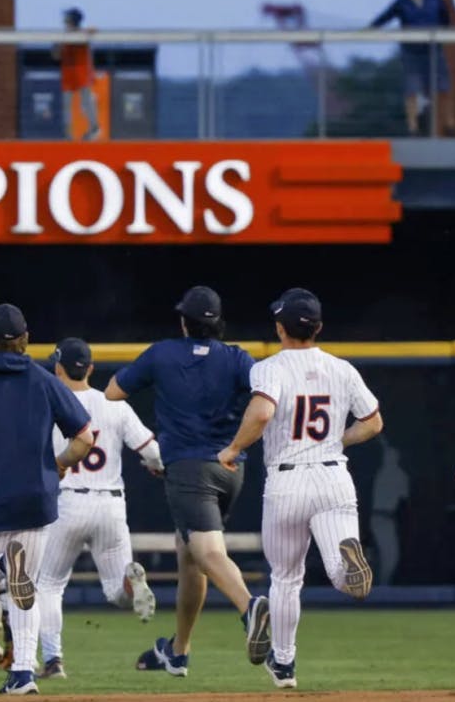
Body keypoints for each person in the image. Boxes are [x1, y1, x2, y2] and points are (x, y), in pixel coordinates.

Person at [217, 289, 382, 690]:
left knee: (287, 578)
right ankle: (350, 568)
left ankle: (285, 665)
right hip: (332, 476)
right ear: (319, 327)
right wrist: (337, 441)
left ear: (279, 327)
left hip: (287, 479)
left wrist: (235, 447)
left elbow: (262, 411)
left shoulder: (269, 368)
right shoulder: (341, 369)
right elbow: (373, 422)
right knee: (337, 573)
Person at [111, 286, 270, 675]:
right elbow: (266, 399)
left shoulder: (162, 353)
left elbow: (112, 392)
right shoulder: (237, 358)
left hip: (188, 468)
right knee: (190, 558)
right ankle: (178, 650)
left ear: (184, 322)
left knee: (207, 552)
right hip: (231, 468)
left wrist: (152, 440)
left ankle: (251, 609)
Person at [0, 304, 98, 695]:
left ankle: (1, 564)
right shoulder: (44, 380)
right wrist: (59, 463)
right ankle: (23, 674)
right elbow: (84, 438)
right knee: (25, 585)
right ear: (26, 339)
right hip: (35, 497)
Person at [36, 337, 163, 680]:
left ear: (58, 367)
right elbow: (152, 452)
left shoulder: (48, 403)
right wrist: (157, 467)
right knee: (114, 593)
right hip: (110, 504)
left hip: (67, 502)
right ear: (90, 369)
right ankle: (128, 582)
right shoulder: (113, 404)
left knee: (47, 584)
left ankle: (53, 661)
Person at [370, 0, 455, 136]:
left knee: (444, 87)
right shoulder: (402, 2)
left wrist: (442, 35)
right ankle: (413, 127)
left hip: (433, 50)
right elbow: (384, 18)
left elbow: (446, 19)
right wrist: (368, 30)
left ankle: (450, 123)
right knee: (412, 89)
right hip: (412, 52)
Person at [58, 8, 101, 141]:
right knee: (66, 104)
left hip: (82, 72)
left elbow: (94, 31)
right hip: (68, 73)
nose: (64, 21)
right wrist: (59, 45)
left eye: (67, 18)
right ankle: (67, 133)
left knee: (86, 101)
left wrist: (89, 32)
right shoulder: (62, 37)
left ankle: (94, 128)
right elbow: (56, 55)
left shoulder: (82, 34)